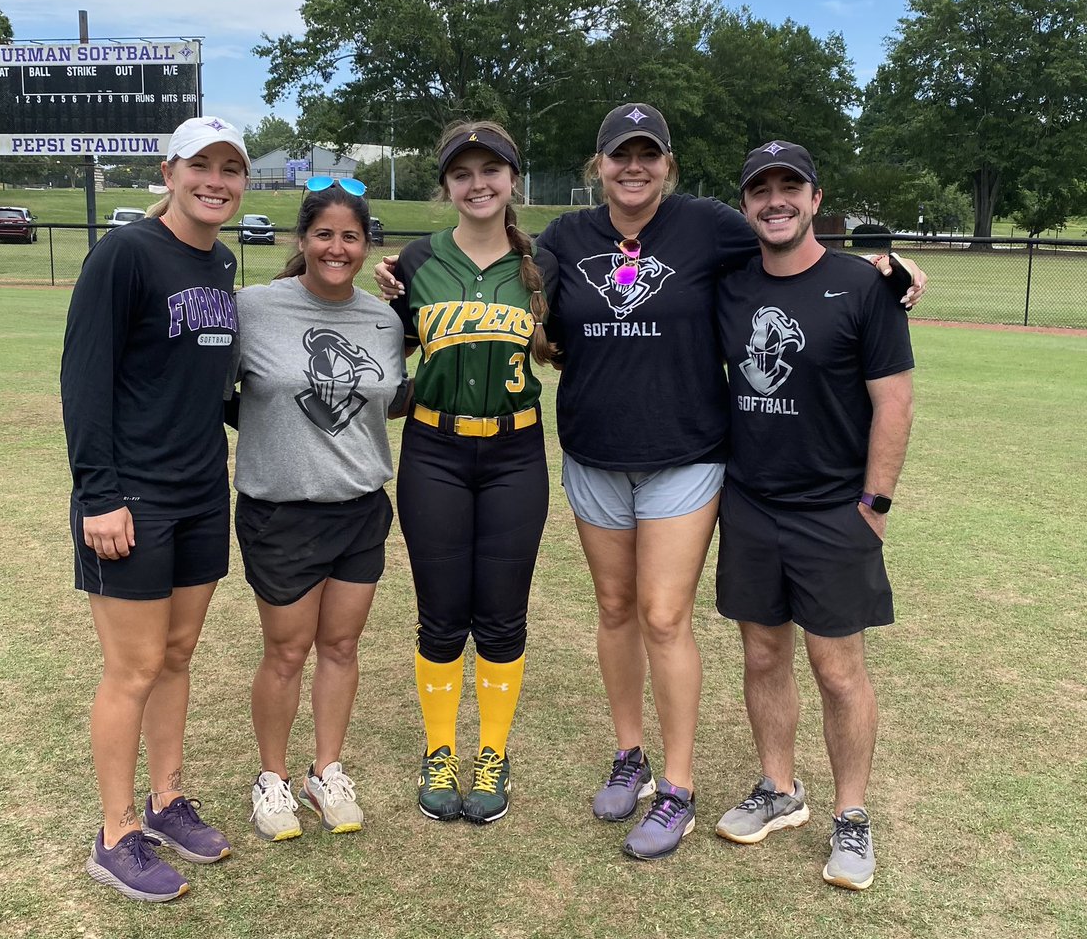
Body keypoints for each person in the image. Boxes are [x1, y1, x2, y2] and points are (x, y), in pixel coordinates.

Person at [377, 105, 923, 860]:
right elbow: (514, 295)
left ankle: (677, 786)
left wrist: (884, 268)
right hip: (594, 451)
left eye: (648, 155)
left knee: (664, 615)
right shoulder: (564, 239)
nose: (633, 167)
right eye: (619, 155)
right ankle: (628, 755)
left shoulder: (707, 225)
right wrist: (394, 279)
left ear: (668, 164)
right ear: (598, 166)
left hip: (685, 453)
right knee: (614, 607)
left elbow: (790, 242)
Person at [712, 140, 914, 892]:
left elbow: (894, 401)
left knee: (837, 669)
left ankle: (852, 814)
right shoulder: (730, 285)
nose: (776, 200)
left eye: (789, 186)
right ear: (745, 206)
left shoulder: (863, 286)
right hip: (750, 503)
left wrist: (875, 504)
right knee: (764, 656)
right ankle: (779, 788)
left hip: (834, 509)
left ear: (816, 199)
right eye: (760, 189)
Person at [61, 116, 249, 902]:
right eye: (200, 165)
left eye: (230, 168)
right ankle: (114, 835)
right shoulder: (126, 253)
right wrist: (98, 494)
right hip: (132, 495)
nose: (216, 180)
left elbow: (210, 382)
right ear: (169, 172)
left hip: (203, 489)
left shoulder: (223, 262)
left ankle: (166, 799)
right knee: (133, 666)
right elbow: (84, 377)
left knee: (177, 655)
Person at [390, 121, 558, 824]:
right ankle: (439, 751)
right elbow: (383, 349)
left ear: (513, 179)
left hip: (516, 453)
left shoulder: (544, 264)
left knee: (502, 613)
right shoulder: (415, 261)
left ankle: (491, 753)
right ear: (446, 185)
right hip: (434, 450)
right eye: (462, 172)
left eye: (492, 169)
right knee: (439, 615)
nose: (478, 183)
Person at [232, 178, 407, 842]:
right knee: (286, 651)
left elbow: (389, 398)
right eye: (324, 234)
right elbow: (214, 390)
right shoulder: (253, 307)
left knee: (340, 645)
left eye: (350, 236)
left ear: (366, 245)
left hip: (360, 507)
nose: (337, 248)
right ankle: (271, 778)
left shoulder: (383, 321)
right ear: (302, 239)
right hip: (280, 510)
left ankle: (325, 770)